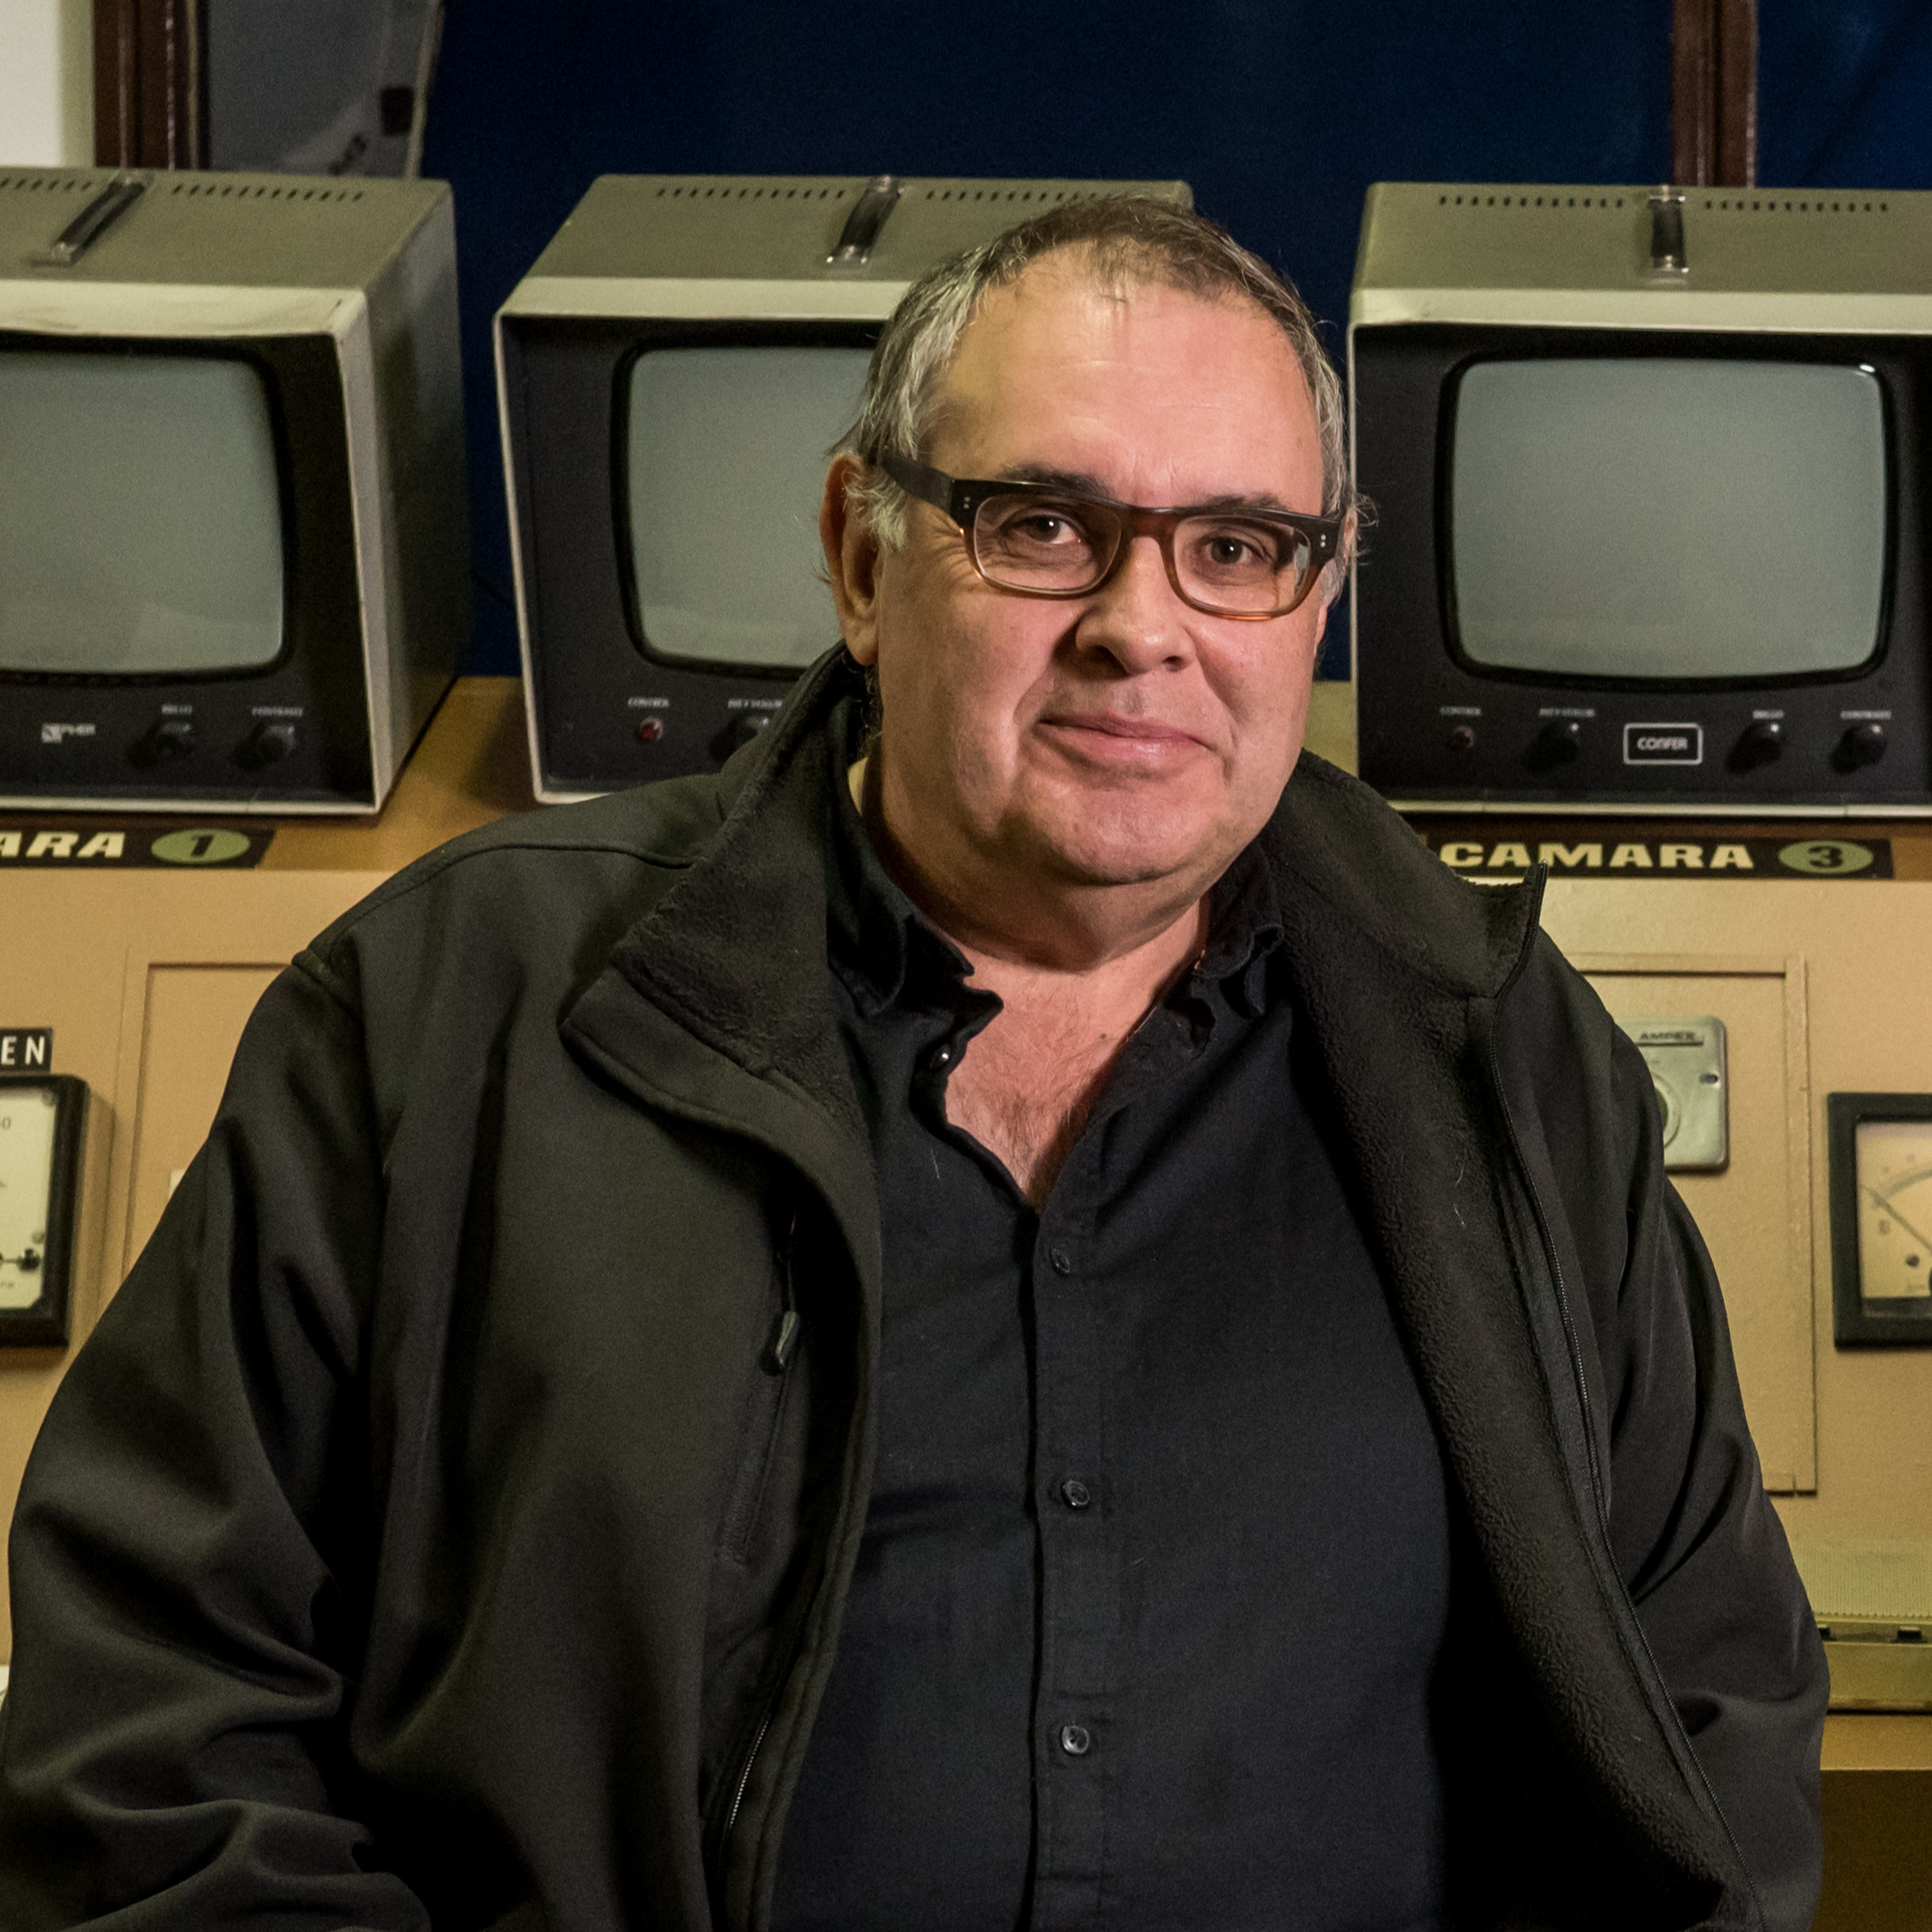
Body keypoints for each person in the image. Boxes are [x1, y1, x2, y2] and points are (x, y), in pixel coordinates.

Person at [0, 197, 1823, 1931]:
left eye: (1235, 548)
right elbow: (155, 1716)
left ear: (1317, 591)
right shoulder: (438, 1010)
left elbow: (1710, 1700)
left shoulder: (1500, 1050)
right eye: (1041, 526)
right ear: (860, 553)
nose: (1141, 625)